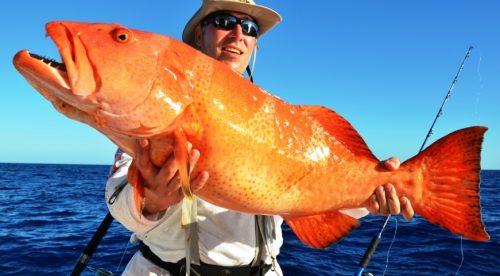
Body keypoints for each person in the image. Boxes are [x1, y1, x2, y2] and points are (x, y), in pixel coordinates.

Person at [106, 1, 415, 275]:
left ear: (254, 45)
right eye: (225, 22)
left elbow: (312, 188)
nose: (238, 34)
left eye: (250, 28)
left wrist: (371, 199)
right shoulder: (164, 99)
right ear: (199, 34)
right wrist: (149, 201)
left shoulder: (277, 114)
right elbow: (119, 201)